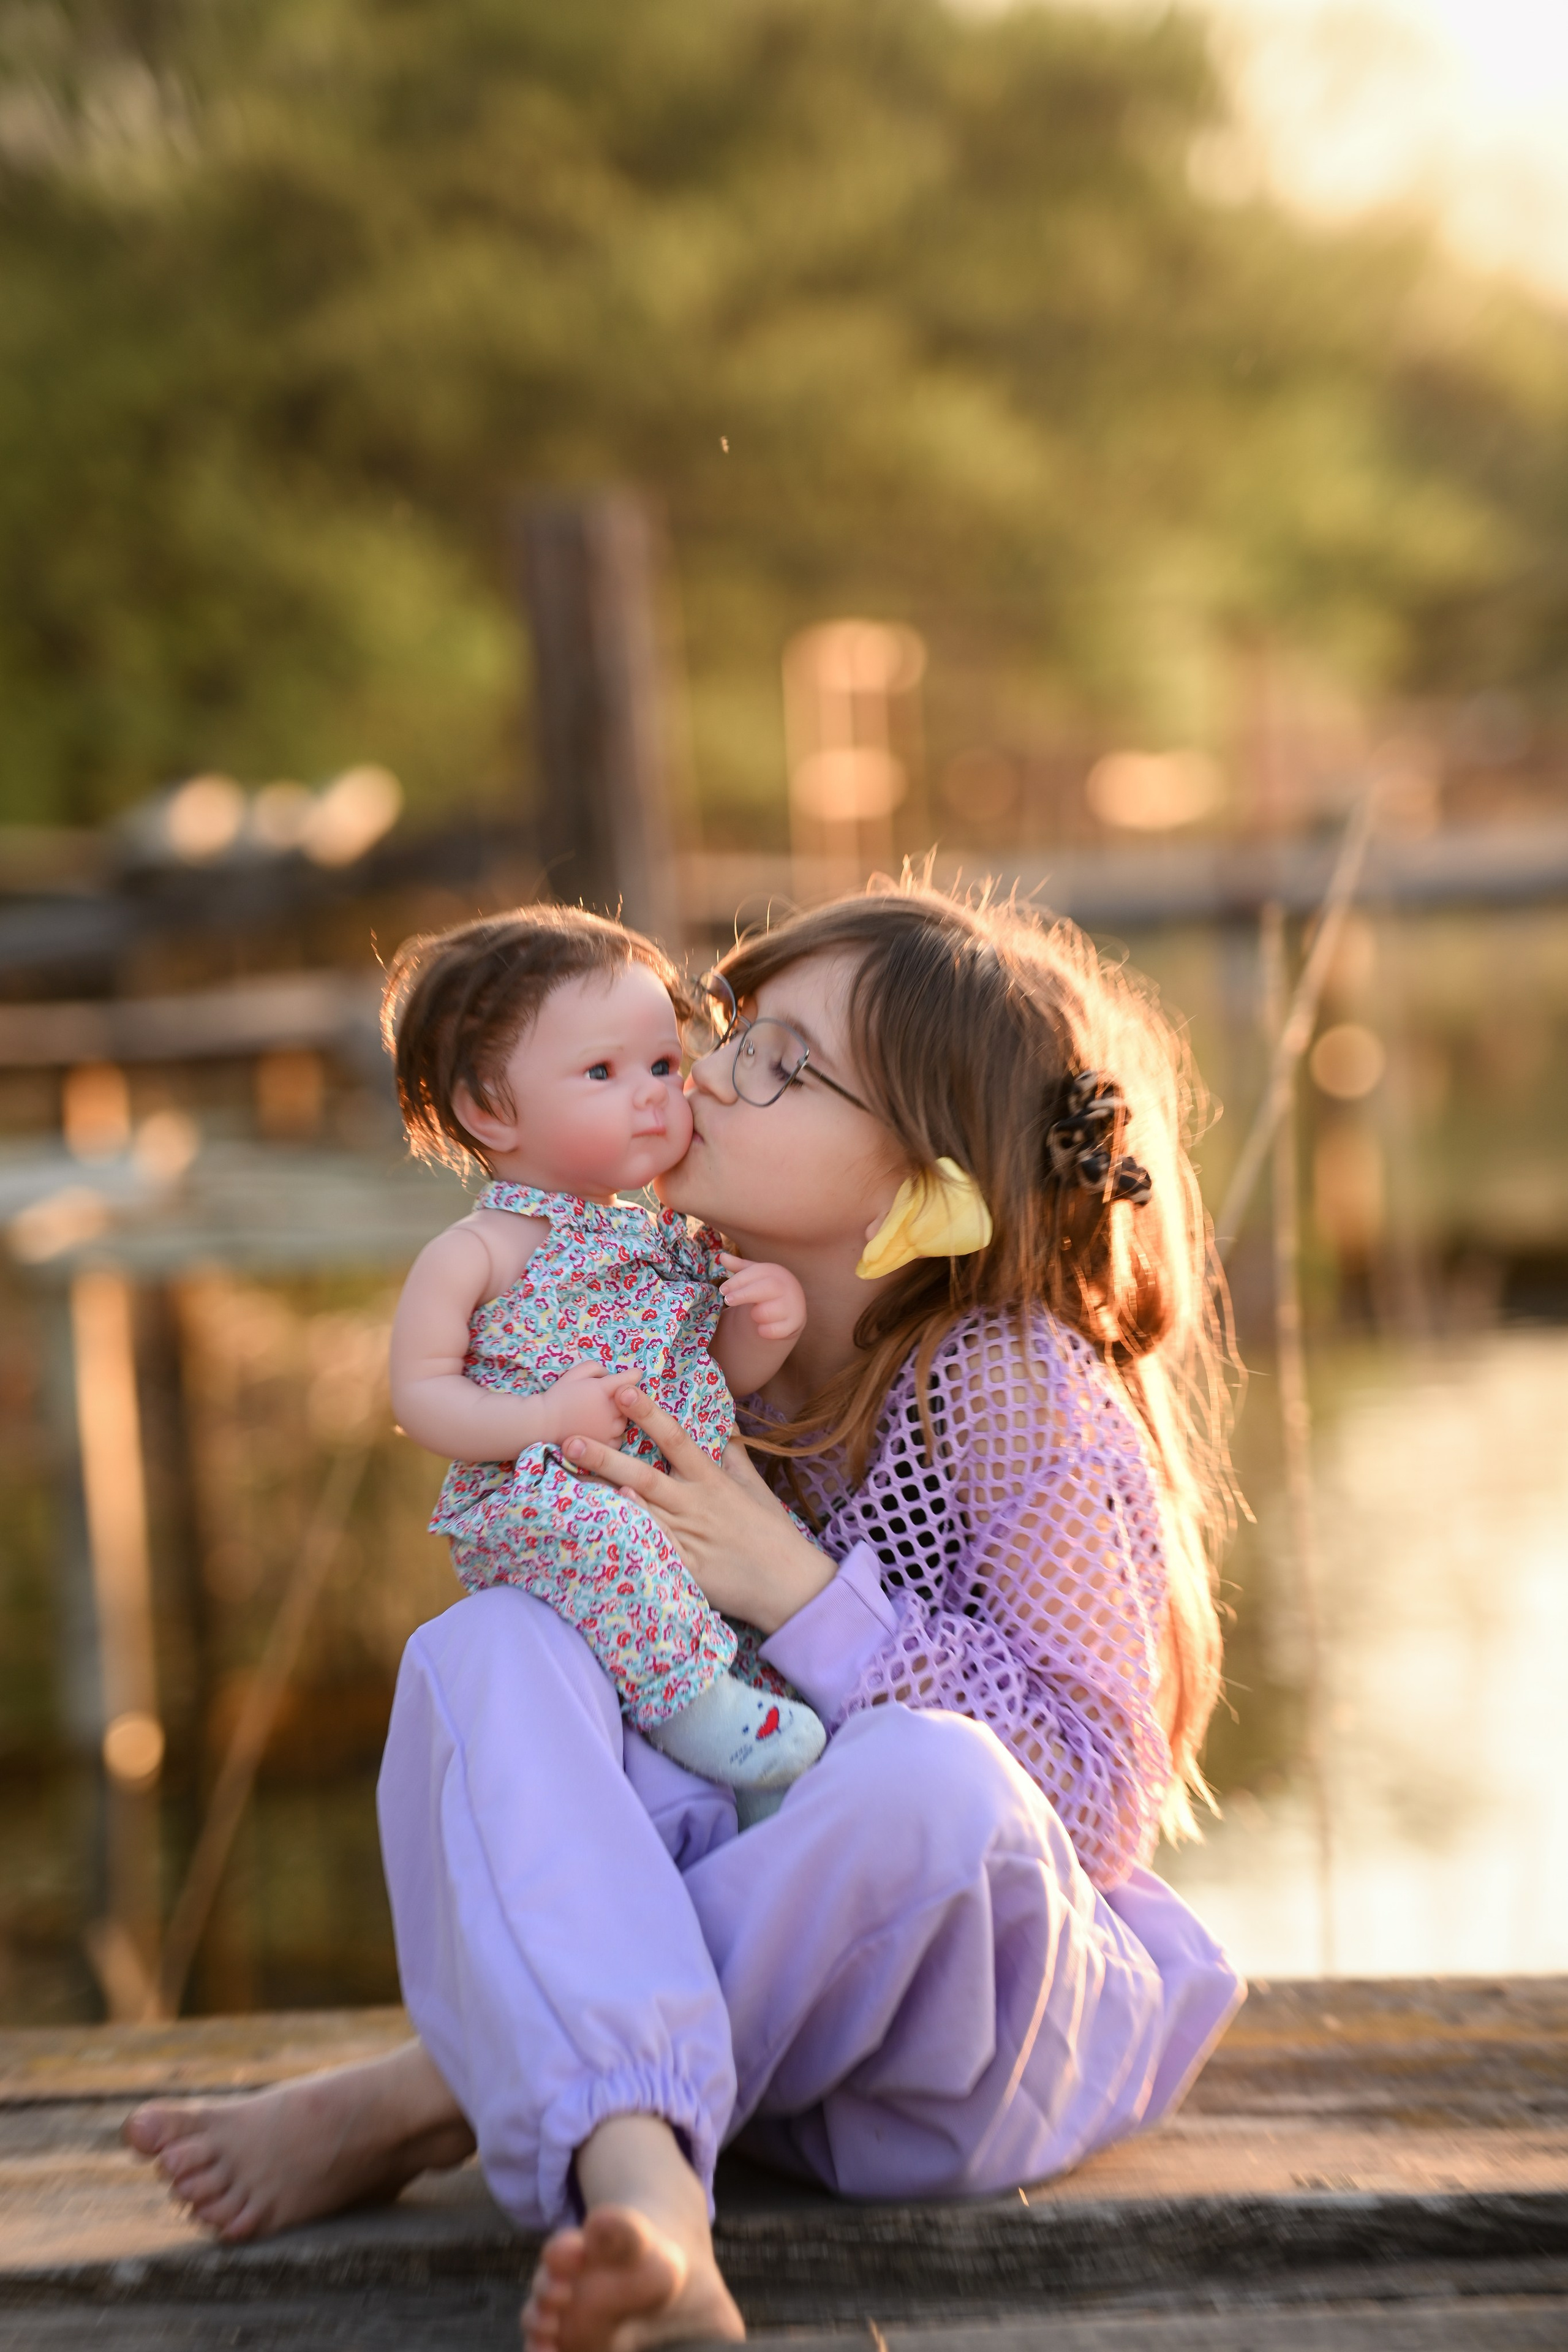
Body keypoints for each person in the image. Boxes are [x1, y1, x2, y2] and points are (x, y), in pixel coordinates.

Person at [127, 881, 1244, 2352]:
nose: (700, 1069)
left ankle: (446, 2094)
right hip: (752, 2063)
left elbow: (1093, 1799)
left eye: (778, 1061)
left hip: (956, 2038)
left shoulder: (1009, 1386)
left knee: (927, 1776)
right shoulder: (695, 1337)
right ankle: (645, 2194)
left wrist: (792, 1586)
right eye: (725, 1028)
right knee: (488, 1649)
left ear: (928, 1179)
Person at [383, 903, 826, 1797]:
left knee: (765, 1563)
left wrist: (761, 1326)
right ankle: (696, 1709)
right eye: (603, 1071)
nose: (657, 1093)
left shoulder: (669, 1241)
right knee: (611, 1535)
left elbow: (708, 1382)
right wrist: (540, 1418)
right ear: (488, 1109)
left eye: (666, 1064)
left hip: (678, 1498)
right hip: (550, 1505)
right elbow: (421, 1393)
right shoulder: (481, 1251)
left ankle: (770, 1794)